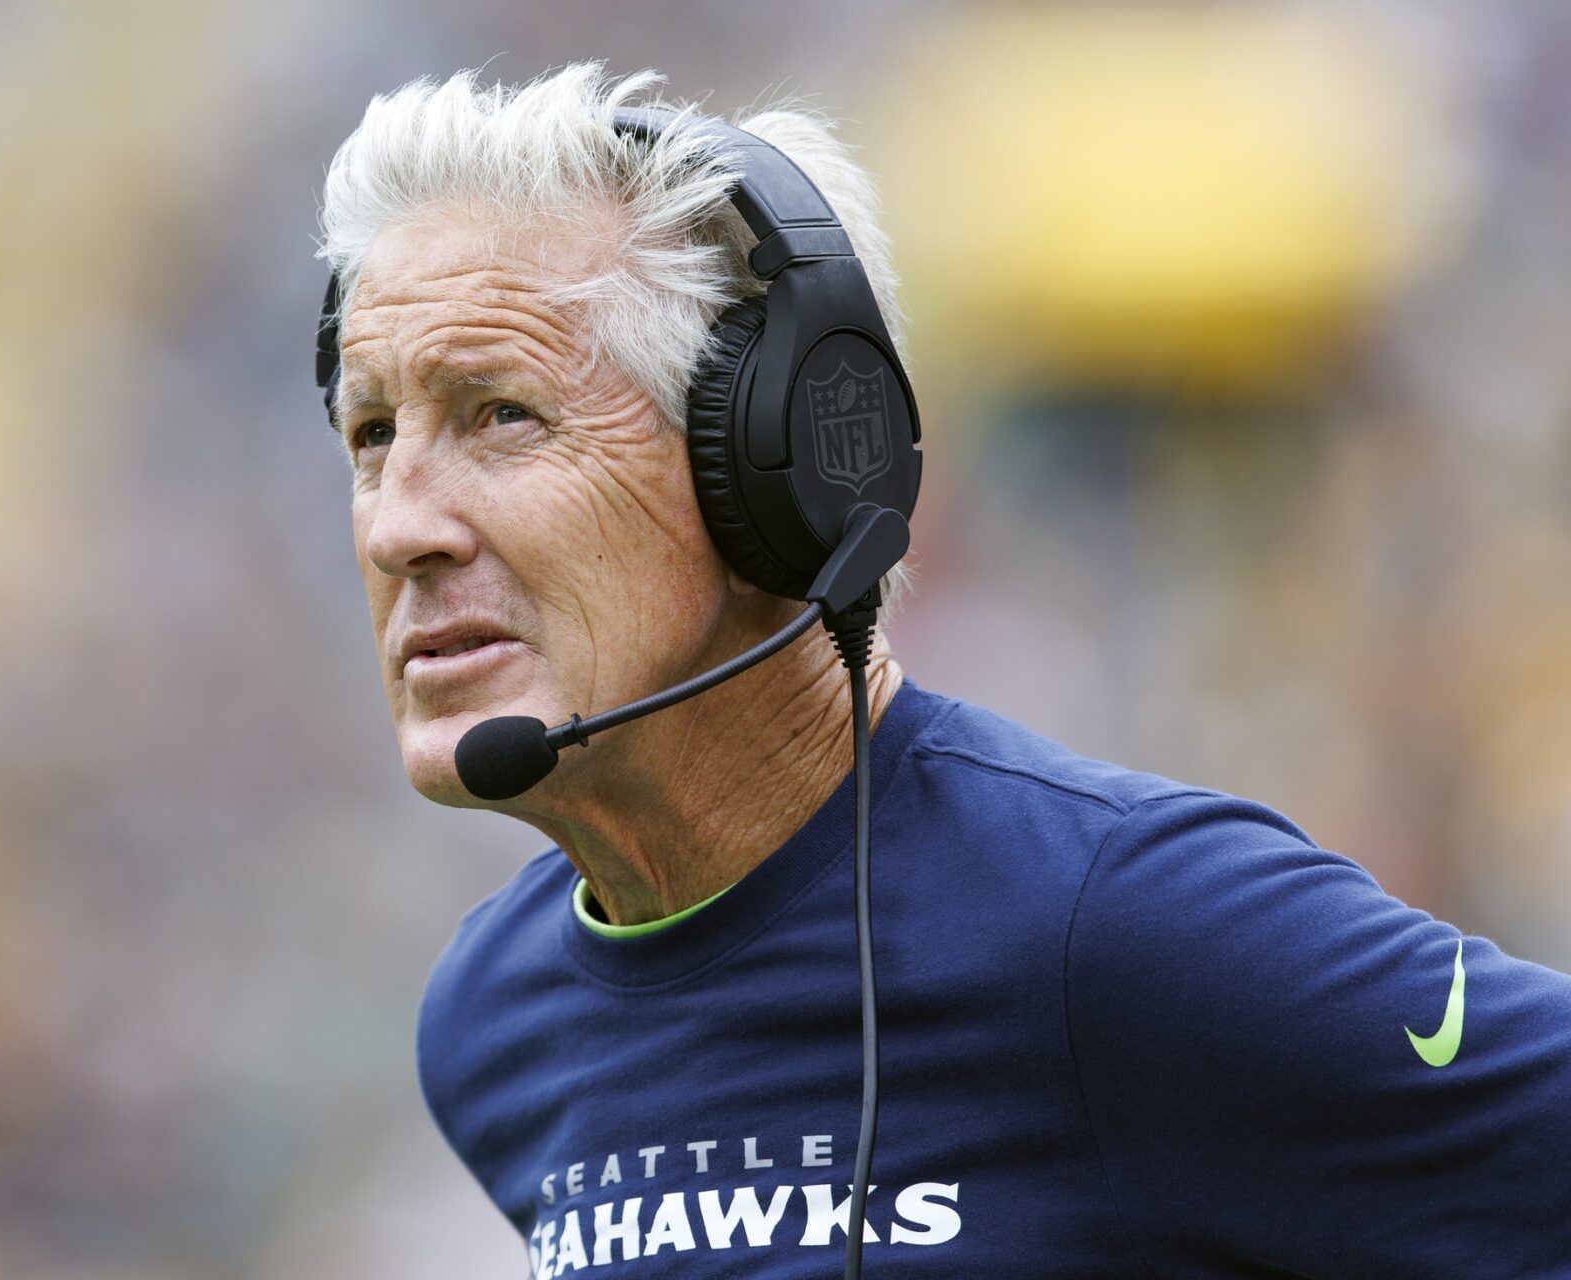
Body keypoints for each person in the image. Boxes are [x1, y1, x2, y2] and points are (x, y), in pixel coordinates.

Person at [314, 63, 1571, 1277]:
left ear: (779, 470)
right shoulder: (488, 1021)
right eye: (373, 434)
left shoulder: (1125, 932)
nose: (396, 525)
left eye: (501, 415)